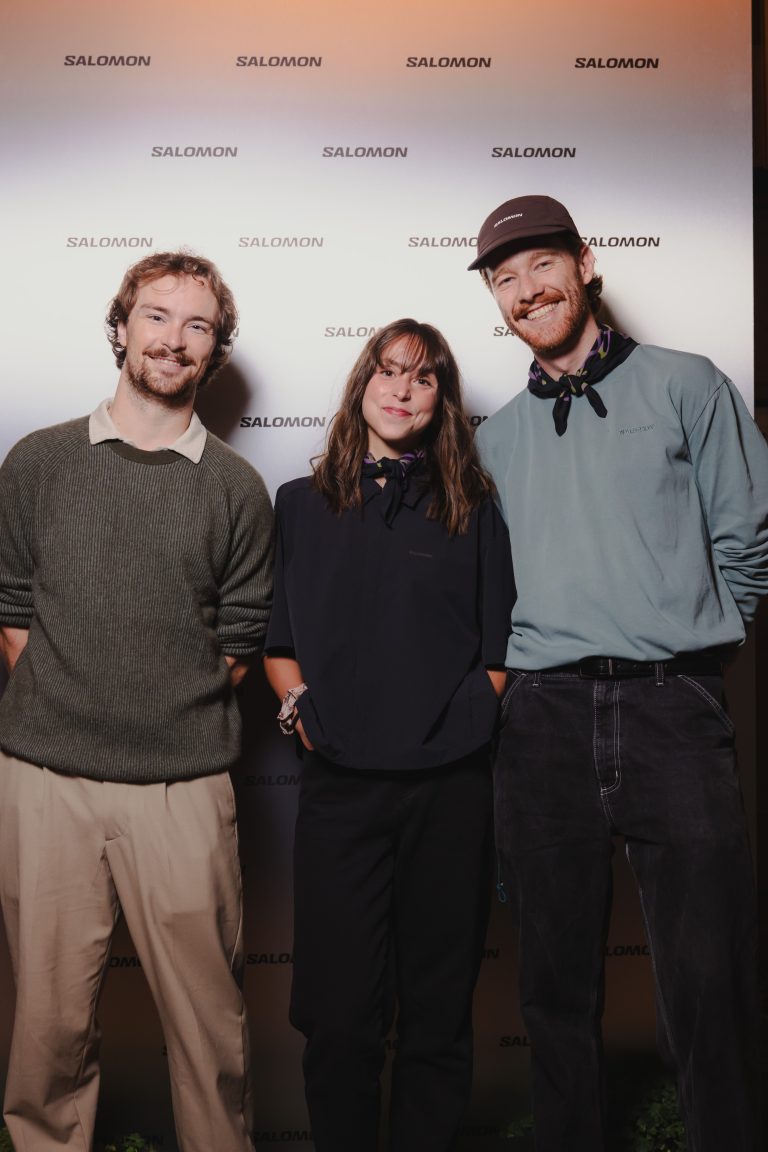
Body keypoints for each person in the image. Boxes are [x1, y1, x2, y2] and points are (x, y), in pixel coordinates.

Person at [467, 194, 768, 1152]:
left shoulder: (687, 383)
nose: (527, 289)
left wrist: (694, 649)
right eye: (505, 279)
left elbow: (746, 535)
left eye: (542, 265)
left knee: (707, 972)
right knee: (554, 983)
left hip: (673, 705)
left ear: (587, 264)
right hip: (542, 720)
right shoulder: (495, 438)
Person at [0, 252, 274, 1152]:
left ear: (215, 351)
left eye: (198, 326)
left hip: (183, 787)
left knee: (208, 1031)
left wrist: (154, 711)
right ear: (122, 328)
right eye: (157, 316)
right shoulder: (37, 460)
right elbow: (12, 610)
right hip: (48, 781)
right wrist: (78, 702)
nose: (174, 338)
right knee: (47, 1029)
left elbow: (241, 642)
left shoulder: (235, 486)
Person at [263, 319, 513, 1152]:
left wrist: (464, 723)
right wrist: (304, 716)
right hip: (342, 792)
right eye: (389, 371)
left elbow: (500, 648)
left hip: (451, 792)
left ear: (443, 400)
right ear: (362, 384)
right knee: (340, 1020)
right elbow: (279, 643)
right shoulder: (300, 506)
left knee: (438, 1016)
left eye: (424, 378)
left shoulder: (473, 509)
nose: (403, 390)